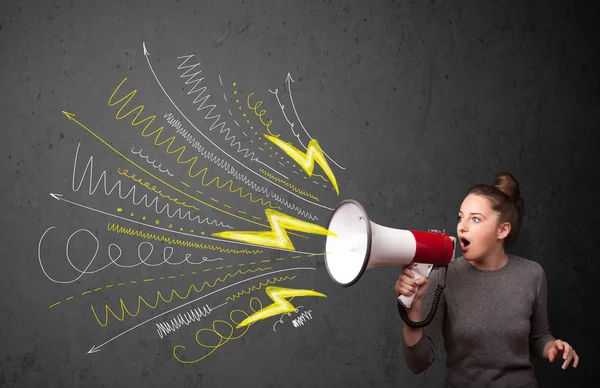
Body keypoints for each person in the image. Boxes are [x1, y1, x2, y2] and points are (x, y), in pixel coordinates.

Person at [394, 172, 579, 388]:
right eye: (460, 217)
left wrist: (552, 347)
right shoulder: (443, 275)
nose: (462, 226)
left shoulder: (532, 275)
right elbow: (419, 363)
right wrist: (414, 308)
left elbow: (538, 338)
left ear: (503, 230)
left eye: (475, 219)